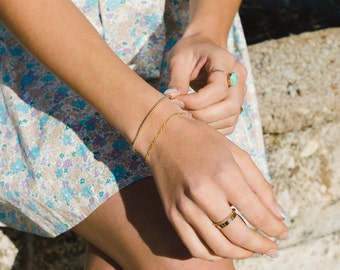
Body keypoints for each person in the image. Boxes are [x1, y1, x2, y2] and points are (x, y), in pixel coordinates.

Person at [0, 0, 289, 269]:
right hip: (30, 47)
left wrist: (208, 30)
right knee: (188, 253)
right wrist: (162, 132)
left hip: (170, 34)